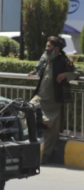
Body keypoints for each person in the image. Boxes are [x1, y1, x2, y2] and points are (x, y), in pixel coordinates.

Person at [29, 36, 83, 164]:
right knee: (28, 111)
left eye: (49, 47)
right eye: (46, 46)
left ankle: (45, 155)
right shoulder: (45, 58)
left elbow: (79, 71)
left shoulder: (64, 60)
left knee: (51, 130)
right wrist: (34, 71)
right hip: (40, 98)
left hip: (54, 101)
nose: (46, 49)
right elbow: (39, 68)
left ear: (57, 48)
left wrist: (65, 75)